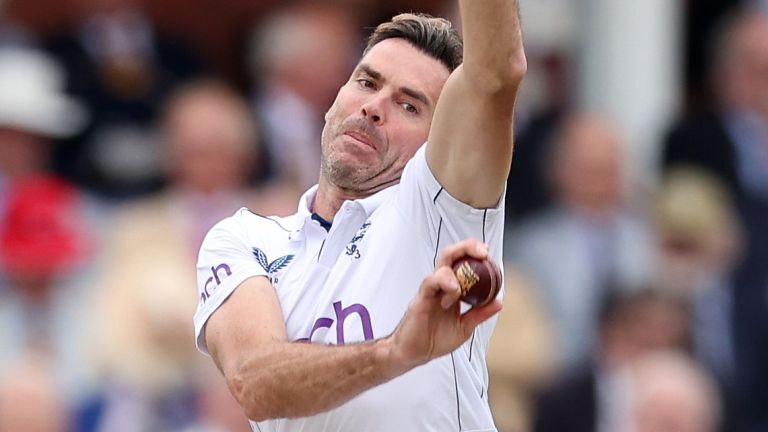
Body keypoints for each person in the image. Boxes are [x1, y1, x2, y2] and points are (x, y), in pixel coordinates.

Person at [194, 1, 526, 430]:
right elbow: (254, 383)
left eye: (410, 106)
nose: (374, 107)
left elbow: (495, 73)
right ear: (335, 99)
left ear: (440, 142)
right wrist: (395, 351)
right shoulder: (244, 238)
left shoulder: (437, 204)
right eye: (367, 82)